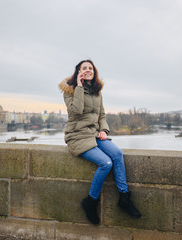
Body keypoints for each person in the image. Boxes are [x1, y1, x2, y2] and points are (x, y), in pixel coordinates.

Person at [59, 59, 141, 225]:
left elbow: (101, 115)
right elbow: (76, 110)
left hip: (94, 133)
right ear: (78, 72)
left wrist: (104, 130)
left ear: (94, 71)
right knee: (105, 163)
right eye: (84, 68)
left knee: (117, 154)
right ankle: (90, 201)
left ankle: (124, 198)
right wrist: (79, 86)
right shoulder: (69, 90)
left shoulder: (97, 92)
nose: (88, 70)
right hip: (77, 135)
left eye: (91, 68)